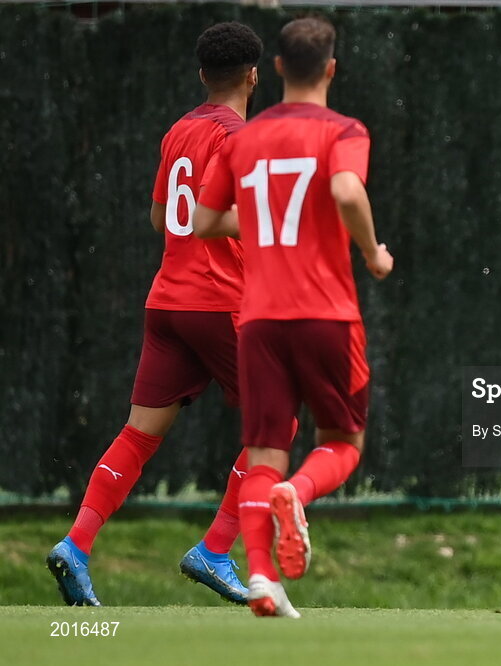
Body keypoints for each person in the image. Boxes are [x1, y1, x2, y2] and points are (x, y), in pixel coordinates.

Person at [46, 22, 264, 607]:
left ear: (201, 74)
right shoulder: (242, 137)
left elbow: (160, 216)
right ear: (253, 76)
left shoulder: (178, 131)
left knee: (140, 435)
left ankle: (76, 545)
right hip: (220, 302)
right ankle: (215, 549)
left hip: (166, 302)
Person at [194, 16, 393, 619]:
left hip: (257, 320)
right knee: (343, 442)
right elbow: (346, 192)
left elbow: (202, 223)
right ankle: (298, 493)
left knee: (262, 452)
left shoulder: (243, 139)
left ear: (276, 69)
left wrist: (256, 221)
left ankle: (259, 578)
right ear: (331, 69)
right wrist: (373, 252)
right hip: (326, 315)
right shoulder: (344, 129)